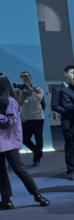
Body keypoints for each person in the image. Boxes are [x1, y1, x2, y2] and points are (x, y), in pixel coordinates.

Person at [0, 75, 50, 209]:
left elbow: (10, 121)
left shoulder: (10, 101)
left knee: (19, 170)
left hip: (9, 142)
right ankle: (6, 200)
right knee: (1, 173)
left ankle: (37, 195)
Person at [15, 71, 45, 166]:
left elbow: (38, 100)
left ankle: (37, 159)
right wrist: (21, 91)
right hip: (25, 119)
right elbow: (19, 103)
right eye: (22, 76)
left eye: (26, 76)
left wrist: (30, 89)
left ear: (31, 78)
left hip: (37, 118)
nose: (24, 78)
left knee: (38, 139)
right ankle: (36, 151)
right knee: (24, 138)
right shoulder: (18, 91)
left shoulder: (37, 89)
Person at [51, 65, 74, 179]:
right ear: (66, 74)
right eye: (71, 73)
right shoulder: (58, 89)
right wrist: (68, 111)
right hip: (67, 121)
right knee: (70, 146)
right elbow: (54, 106)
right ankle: (70, 170)